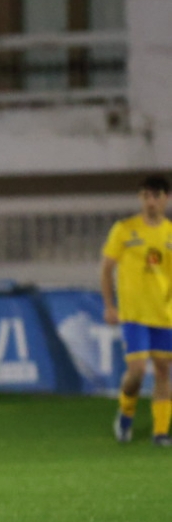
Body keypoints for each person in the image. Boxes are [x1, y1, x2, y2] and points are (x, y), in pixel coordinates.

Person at [101, 173, 172, 445]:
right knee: (138, 371)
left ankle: (161, 433)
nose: (150, 201)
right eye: (145, 196)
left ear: (165, 198)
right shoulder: (124, 229)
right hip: (133, 315)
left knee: (163, 372)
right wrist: (109, 305)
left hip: (164, 315)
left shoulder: (170, 233)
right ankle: (126, 412)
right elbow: (106, 269)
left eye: (155, 196)